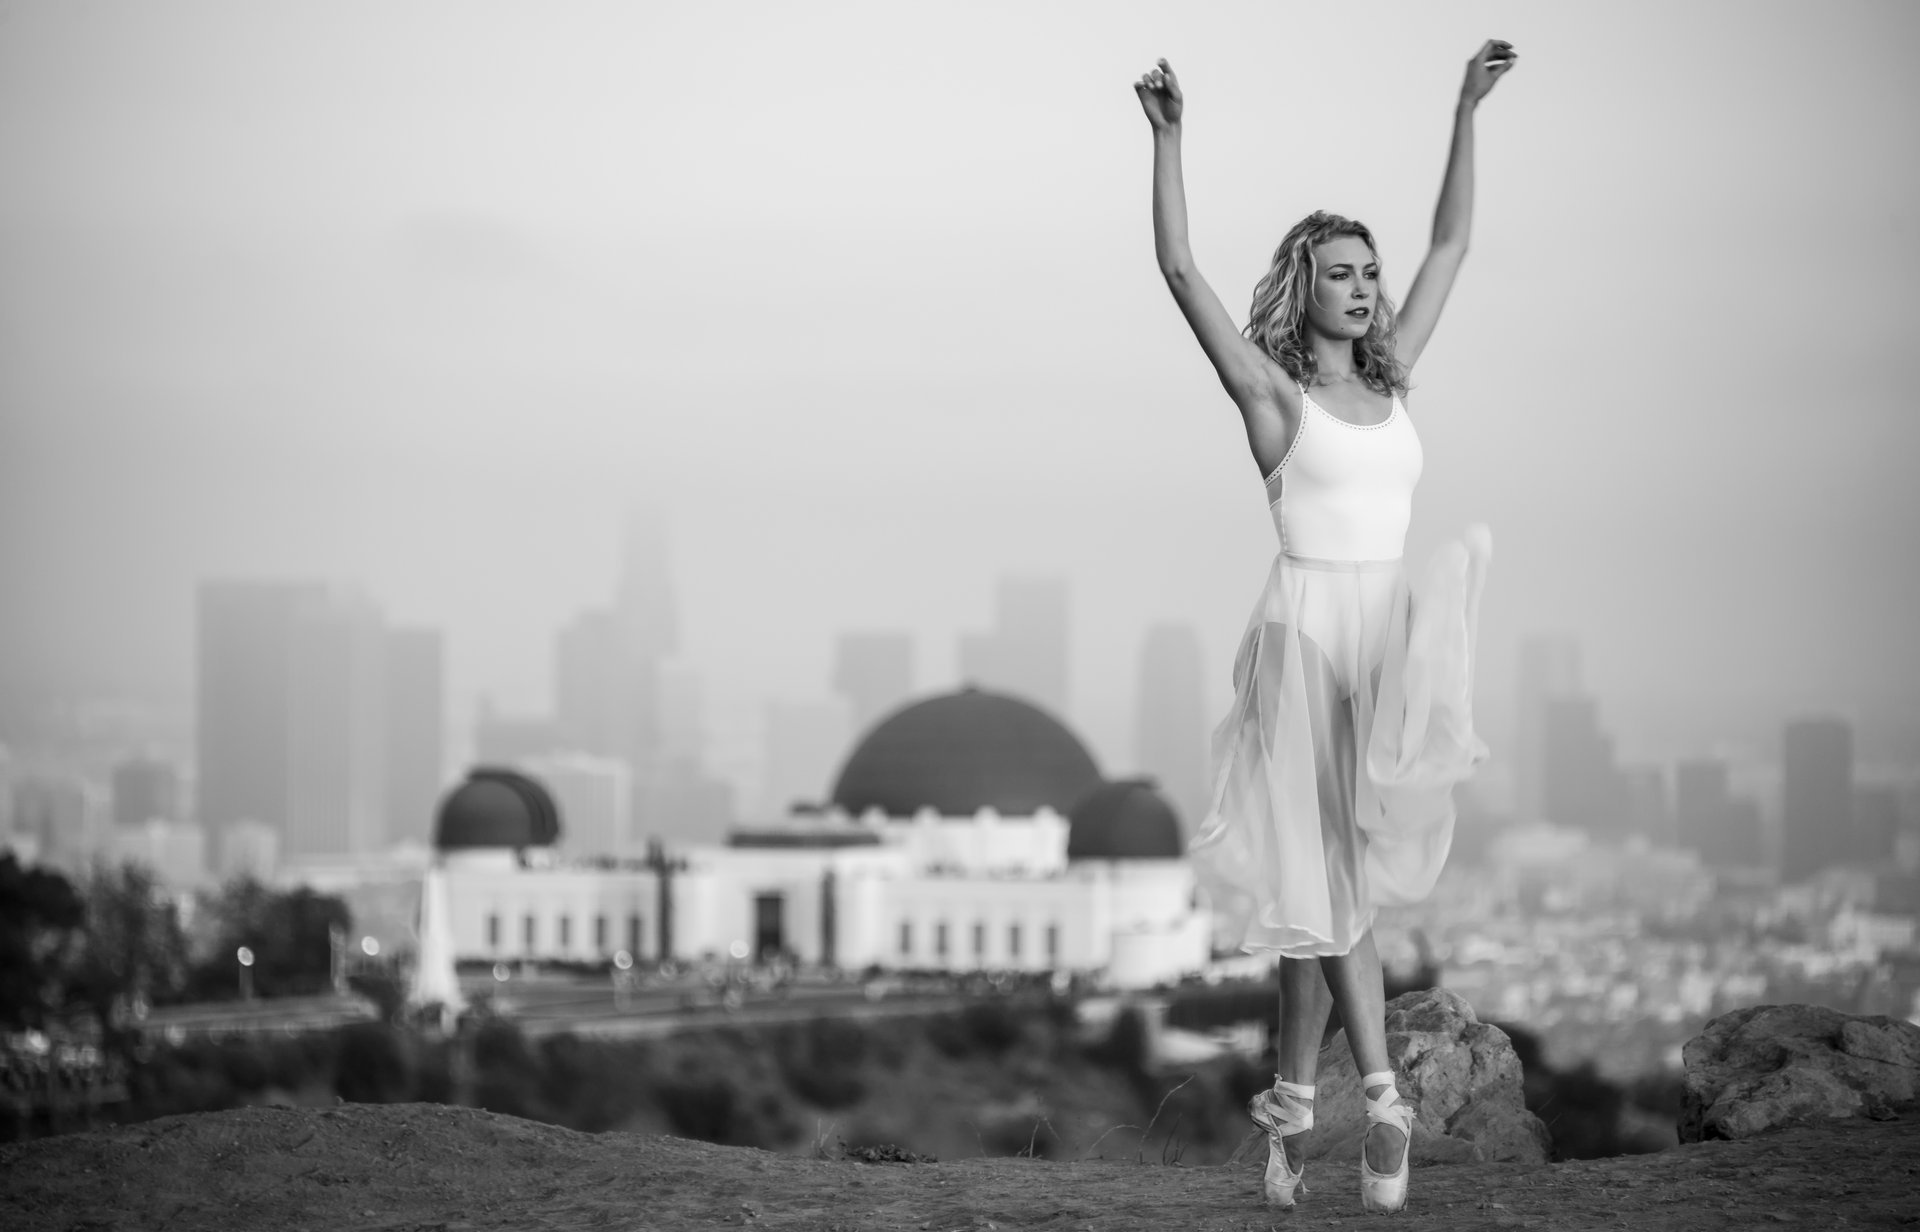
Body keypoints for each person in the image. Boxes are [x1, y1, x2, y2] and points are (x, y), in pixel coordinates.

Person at [1134, 40, 1515, 1214]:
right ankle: (1388, 1105)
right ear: (1306, 287)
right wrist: (1168, 142)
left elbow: (1451, 245)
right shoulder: (1274, 398)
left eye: (1368, 271)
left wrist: (1463, 110)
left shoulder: (1393, 387)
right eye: (1340, 272)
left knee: (1318, 902)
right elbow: (1182, 270)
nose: (1362, 286)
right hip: (1304, 642)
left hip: (1387, 643)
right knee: (1339, 883)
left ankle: (1295, 1114)